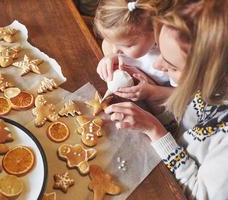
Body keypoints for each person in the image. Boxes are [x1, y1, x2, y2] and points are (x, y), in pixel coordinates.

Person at [104, 0, 228, 199]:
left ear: (211, 75)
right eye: (160, 52)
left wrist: (155, 130)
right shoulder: (209, 89)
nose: (158, 65)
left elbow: (198, 194)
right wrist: (155, 103)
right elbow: (185, 128)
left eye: (172, 66)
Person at [94, 0, 178, 108]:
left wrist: (152, 92)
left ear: (156, 27)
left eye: (127, 45)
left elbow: (186, 94)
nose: (116, 50)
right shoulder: (127, 39)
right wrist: (108, 57)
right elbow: (107, 44)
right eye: (113, 42)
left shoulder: (173, 57)